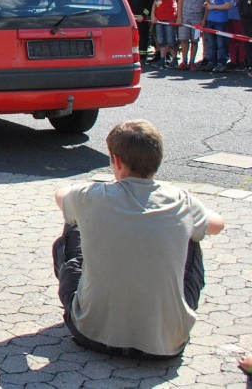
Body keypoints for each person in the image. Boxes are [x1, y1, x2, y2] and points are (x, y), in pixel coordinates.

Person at [52, 120, 224, 359]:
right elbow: (218, 224)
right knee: (194, 237)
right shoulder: (181, 200)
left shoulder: (91, 196)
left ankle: (96, 306)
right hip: (165, 345)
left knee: (73, 224)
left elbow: (60, 195)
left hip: (91, 334)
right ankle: (164, 318)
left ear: (117, 161)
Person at [176, 0, 207, 70]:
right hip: (185, 17)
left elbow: (206, 4)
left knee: (195, 40)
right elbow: (179, 2)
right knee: (184, 39)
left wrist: (204, 18)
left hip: (197, 18)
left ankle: (192, 61)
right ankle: (184, 61)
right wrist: (179, 17)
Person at [202, 0, 232, 72]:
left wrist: (213, 6)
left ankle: (222, 62)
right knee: (211, 43)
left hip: (220, 21)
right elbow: (210, 3)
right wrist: (207, 5)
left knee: (221, 43)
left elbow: (228, 5)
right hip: (211, 20)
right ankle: (212, 61)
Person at [151, 0, 177, 68]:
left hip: (168, 18)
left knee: (170, 40)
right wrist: (153, 15)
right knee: (161, 40)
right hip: (159, 18)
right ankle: (162, 58)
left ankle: (174, 59)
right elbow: (156, 1)